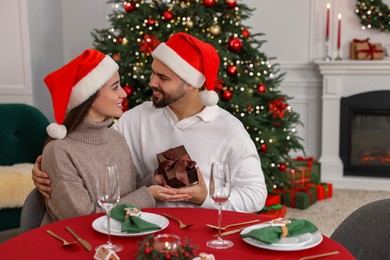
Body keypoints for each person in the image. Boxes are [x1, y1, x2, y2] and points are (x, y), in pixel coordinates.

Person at [33, 33, 267, 213]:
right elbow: (87, 150)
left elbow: (256, 196)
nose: (151, 82)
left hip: (202, 234)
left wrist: (204, 198)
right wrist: (44, 167)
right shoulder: (135, 118)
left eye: (163, 78)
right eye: (153, 73)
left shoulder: (229, 129)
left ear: (191, 84)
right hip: (142, 233)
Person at [40, 49, 190, 224]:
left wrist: (154, 179)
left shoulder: (115, 138)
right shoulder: (59, 151)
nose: (123, 94)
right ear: (90, 97)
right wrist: (148, 195)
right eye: (115, 87)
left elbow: (130, 192)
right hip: (76, 244)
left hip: (121, 238)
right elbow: (82, 220)